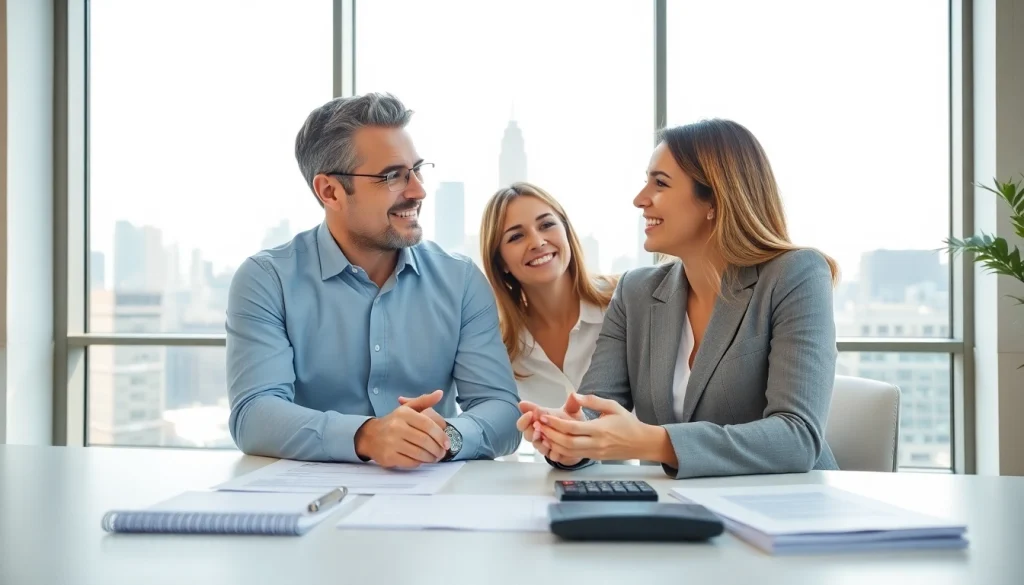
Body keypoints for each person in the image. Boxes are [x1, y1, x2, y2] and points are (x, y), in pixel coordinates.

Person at [520, 118, 841, 479]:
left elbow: (796, 437)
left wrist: (653, 442)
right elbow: (596, 407)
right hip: (677, 508)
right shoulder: (635, 292)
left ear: (715, 199)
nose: (640, 199)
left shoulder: (795, 275)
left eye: (660, 183)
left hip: (790, 510)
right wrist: (570, 436)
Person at [226, 93, 521, 468]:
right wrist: (367, 436)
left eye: (416, 170)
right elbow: (253, 415)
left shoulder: (460, 280)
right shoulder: (267, 280)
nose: (417, 190)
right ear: (330, 191)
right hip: (309, 503)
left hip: (432, 499)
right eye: (393, 176)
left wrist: (446, 437)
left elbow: (502, 412)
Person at [478, 182, 617, 409]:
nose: (538, 242)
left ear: (567, 232)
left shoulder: (624, 303)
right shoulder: (503, 350)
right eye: (516, 237)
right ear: (500, 261)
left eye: (546, 225)